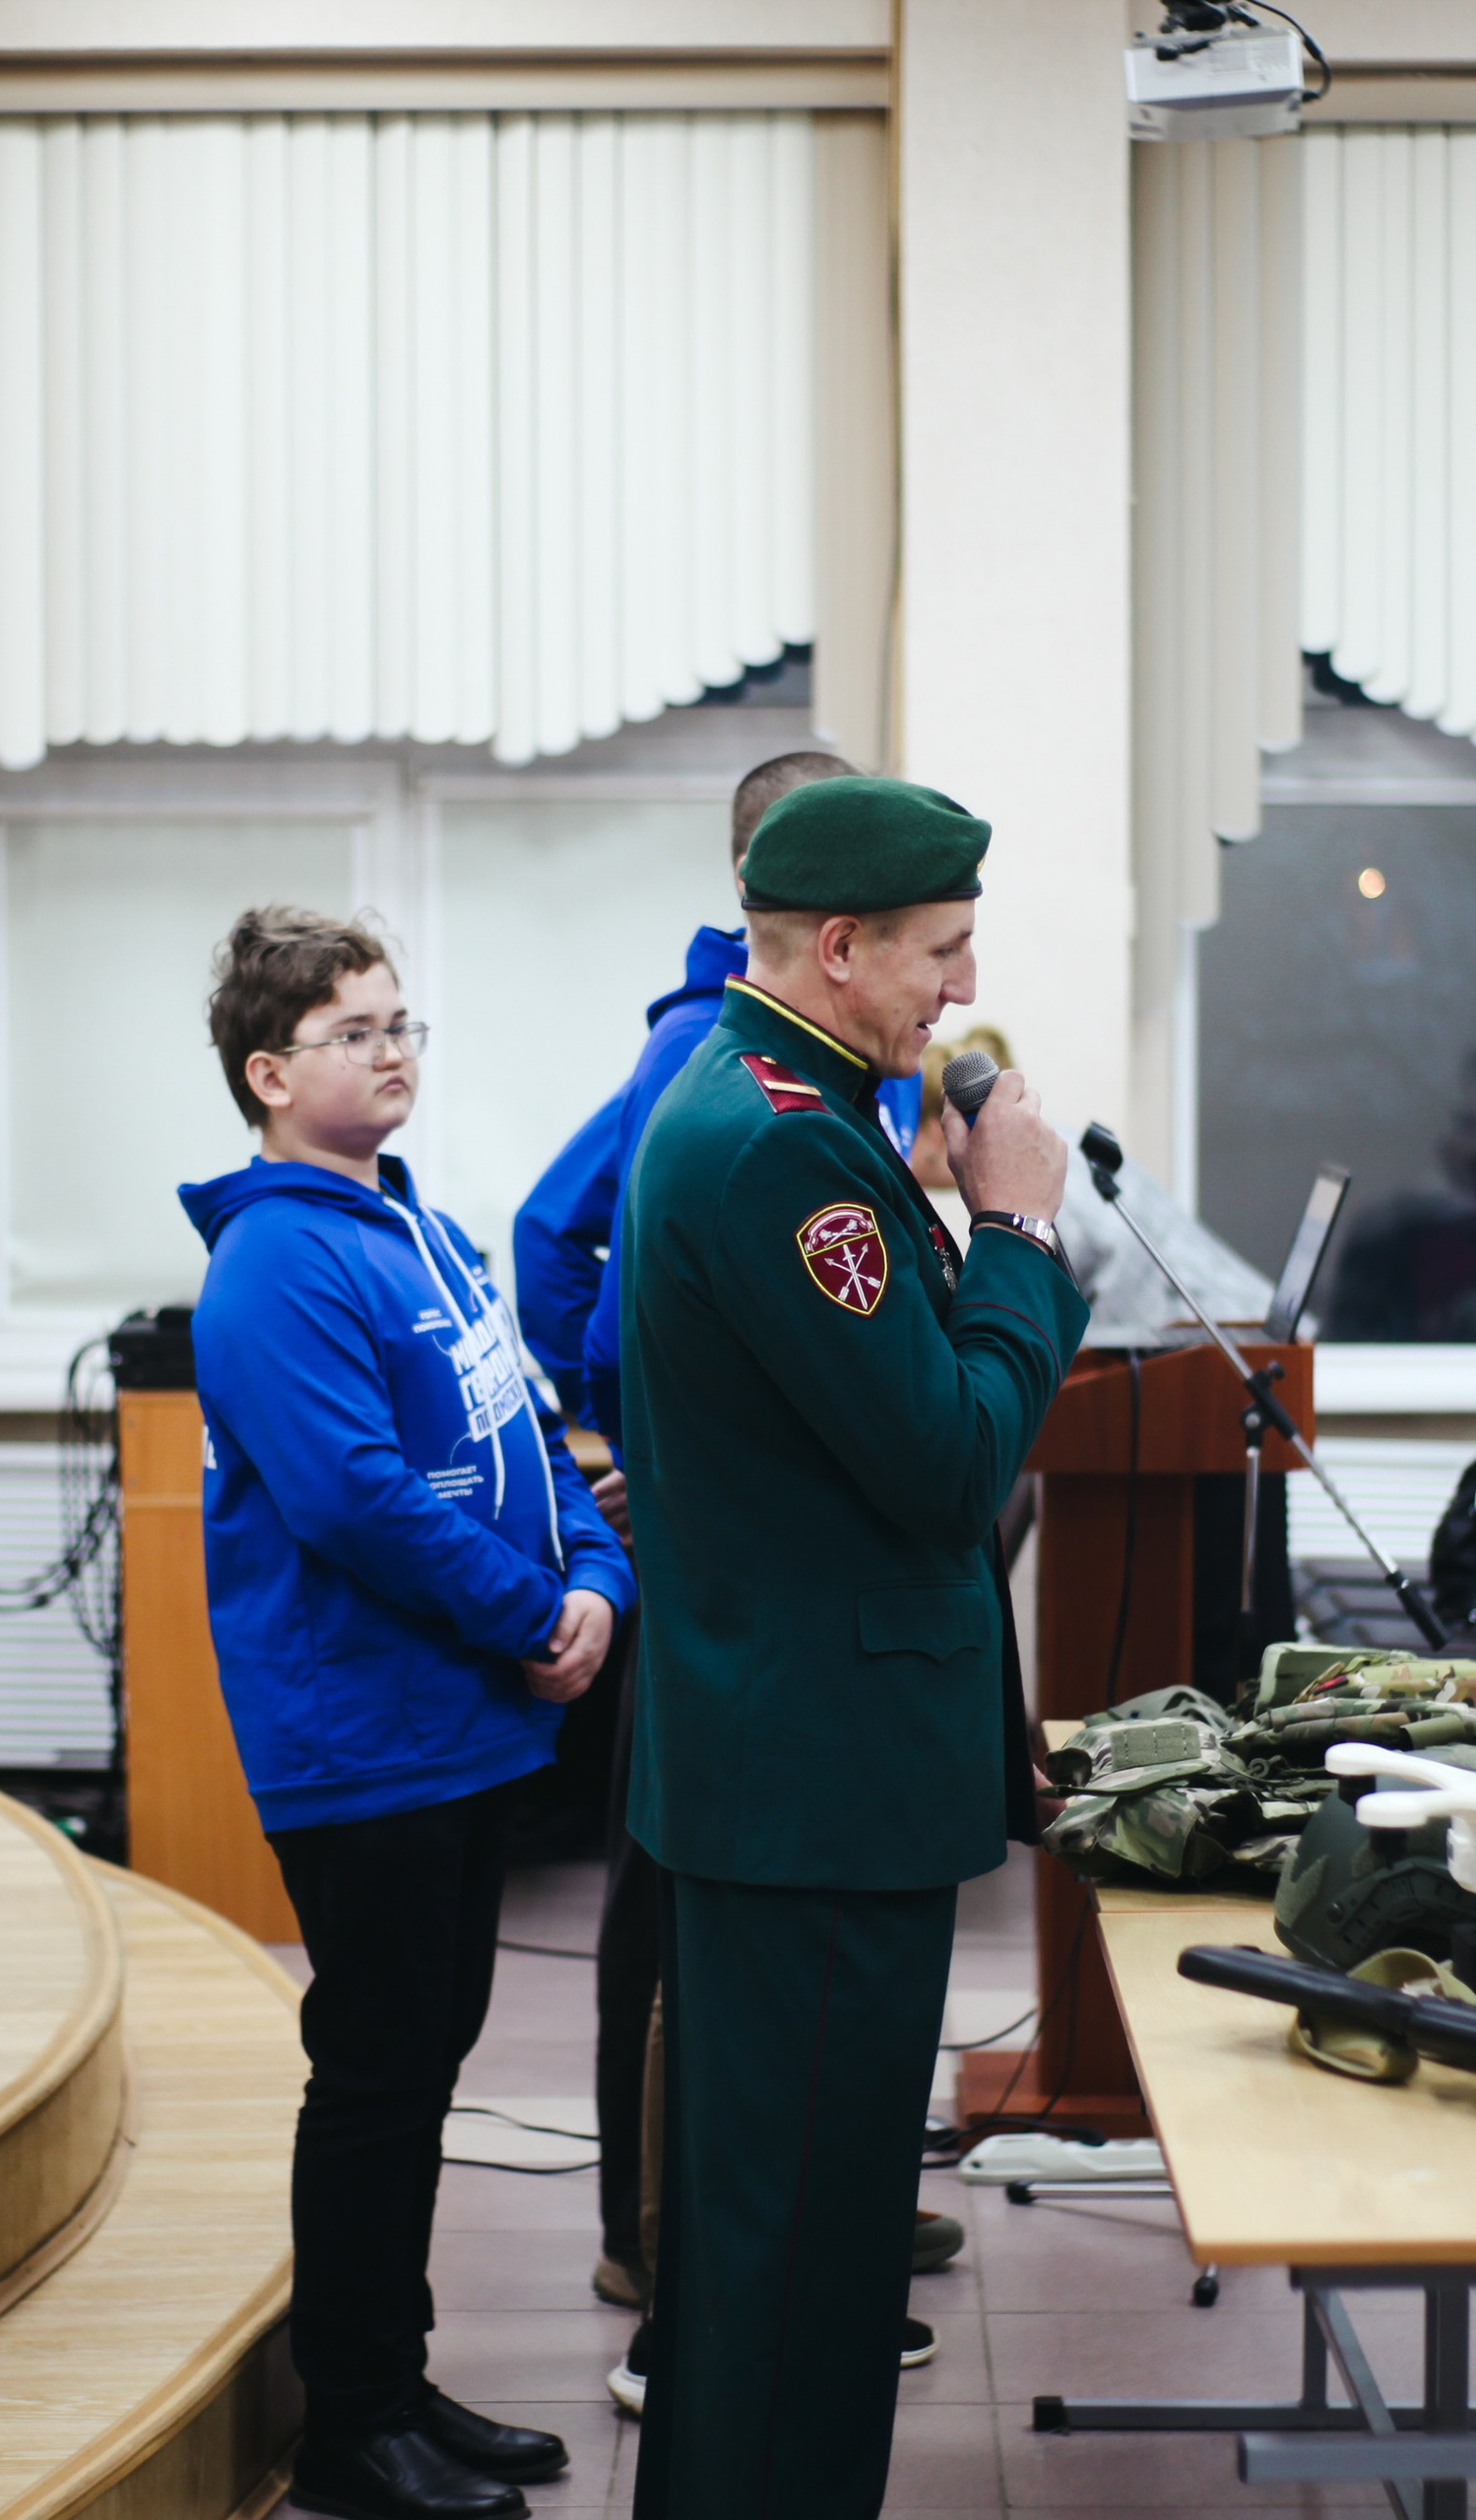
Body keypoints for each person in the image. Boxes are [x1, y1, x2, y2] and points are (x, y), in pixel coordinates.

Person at [620, 777, 1089, 2520]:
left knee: (786, 2257)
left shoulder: (782, 1105)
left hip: (793, 1764)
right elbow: (950, 1457)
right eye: (938, 955)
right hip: (814, 1789)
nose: (958, 996)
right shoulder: (780, 1145)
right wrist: (1020, 1231)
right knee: (798, 2271)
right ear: (838, 947)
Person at [180, 907, 634, 2520]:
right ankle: (350, 2429)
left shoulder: (423, 1232)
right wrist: (533, 1615)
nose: (390, 1051)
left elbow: (529, 1433)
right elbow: (358, 1502)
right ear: (266, 1071)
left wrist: (594, 1576)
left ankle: (396, 2378)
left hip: (461, 1723)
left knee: (427, 2056)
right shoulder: (275, 1263)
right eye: (351, 1031)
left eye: (399, 1024)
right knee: (377, 2070)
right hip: (361, 1739)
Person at [508, 749, 956, 2339]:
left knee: (743, 1933)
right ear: (821, 917)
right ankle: (666, 2242)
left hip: (761, 1554)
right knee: (680, 1913)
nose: (951, 980)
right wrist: (616, 1430)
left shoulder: (817, 1062)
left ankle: (814, 2209)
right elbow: (556, 1237)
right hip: (724, 1562)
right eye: (930, 943)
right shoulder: (717, 1059)